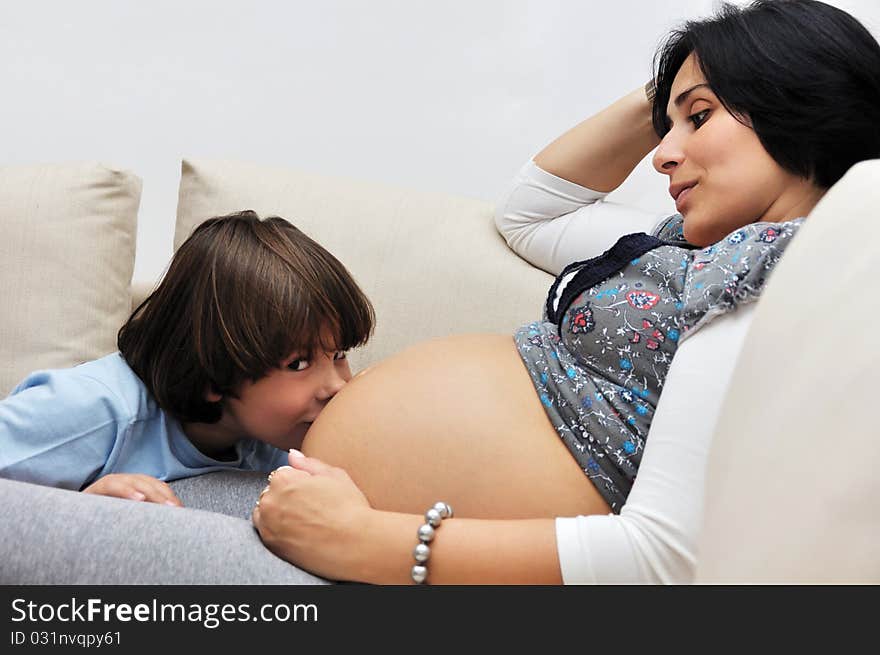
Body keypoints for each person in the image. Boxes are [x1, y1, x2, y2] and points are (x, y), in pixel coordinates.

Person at [251, 0, 880, 584]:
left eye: (700, 117)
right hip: (326, 523)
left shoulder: (771, 274)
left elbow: (660, 555)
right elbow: (529, 215)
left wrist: (362, 538)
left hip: (372, 554)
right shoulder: (686, 247)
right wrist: (679, 87)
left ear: (799, 100)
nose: (662, 155)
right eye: (666, 127)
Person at [0, 210, 374, 506]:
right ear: (214, 375)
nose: (337, 384)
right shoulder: (93, 411)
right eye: (299, 364)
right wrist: (78, 508)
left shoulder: (273, 442)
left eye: (339, 353)